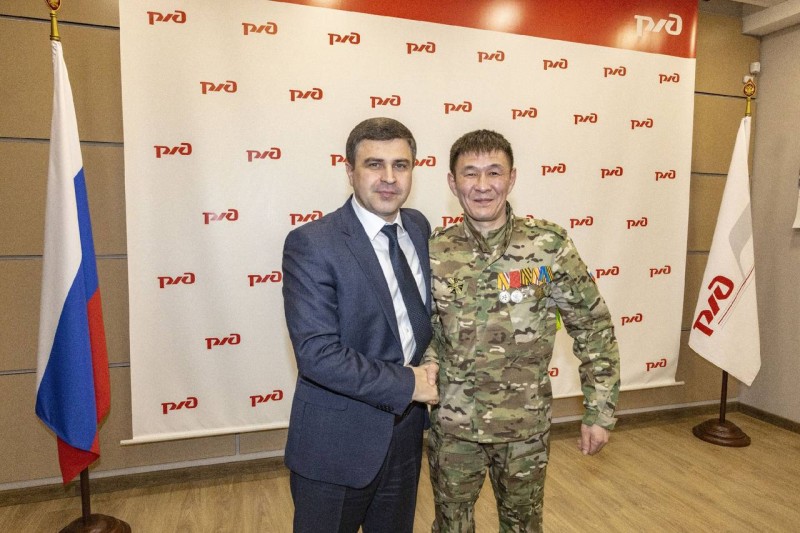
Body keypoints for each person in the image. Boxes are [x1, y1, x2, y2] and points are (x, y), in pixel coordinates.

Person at [424, 129, 621, 532]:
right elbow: (420, 332)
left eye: (494, 172)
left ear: (511, 178)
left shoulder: (548, 247)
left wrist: (599, 411)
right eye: (470, 173)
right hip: (453, 431)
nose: (482, 185)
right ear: (452, 182)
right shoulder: (432, 251)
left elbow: (593, 327)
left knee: (523, 527)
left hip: (524, 432)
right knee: (450, 527)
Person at [282, 117, 439, 533]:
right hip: (336, 445)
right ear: (349, 171)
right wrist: (409, 383)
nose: (389, 178)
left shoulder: (419, 228)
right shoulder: (312, 243)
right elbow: (317, 354)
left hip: (406, 435)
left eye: (400, 165)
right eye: (374, 164)